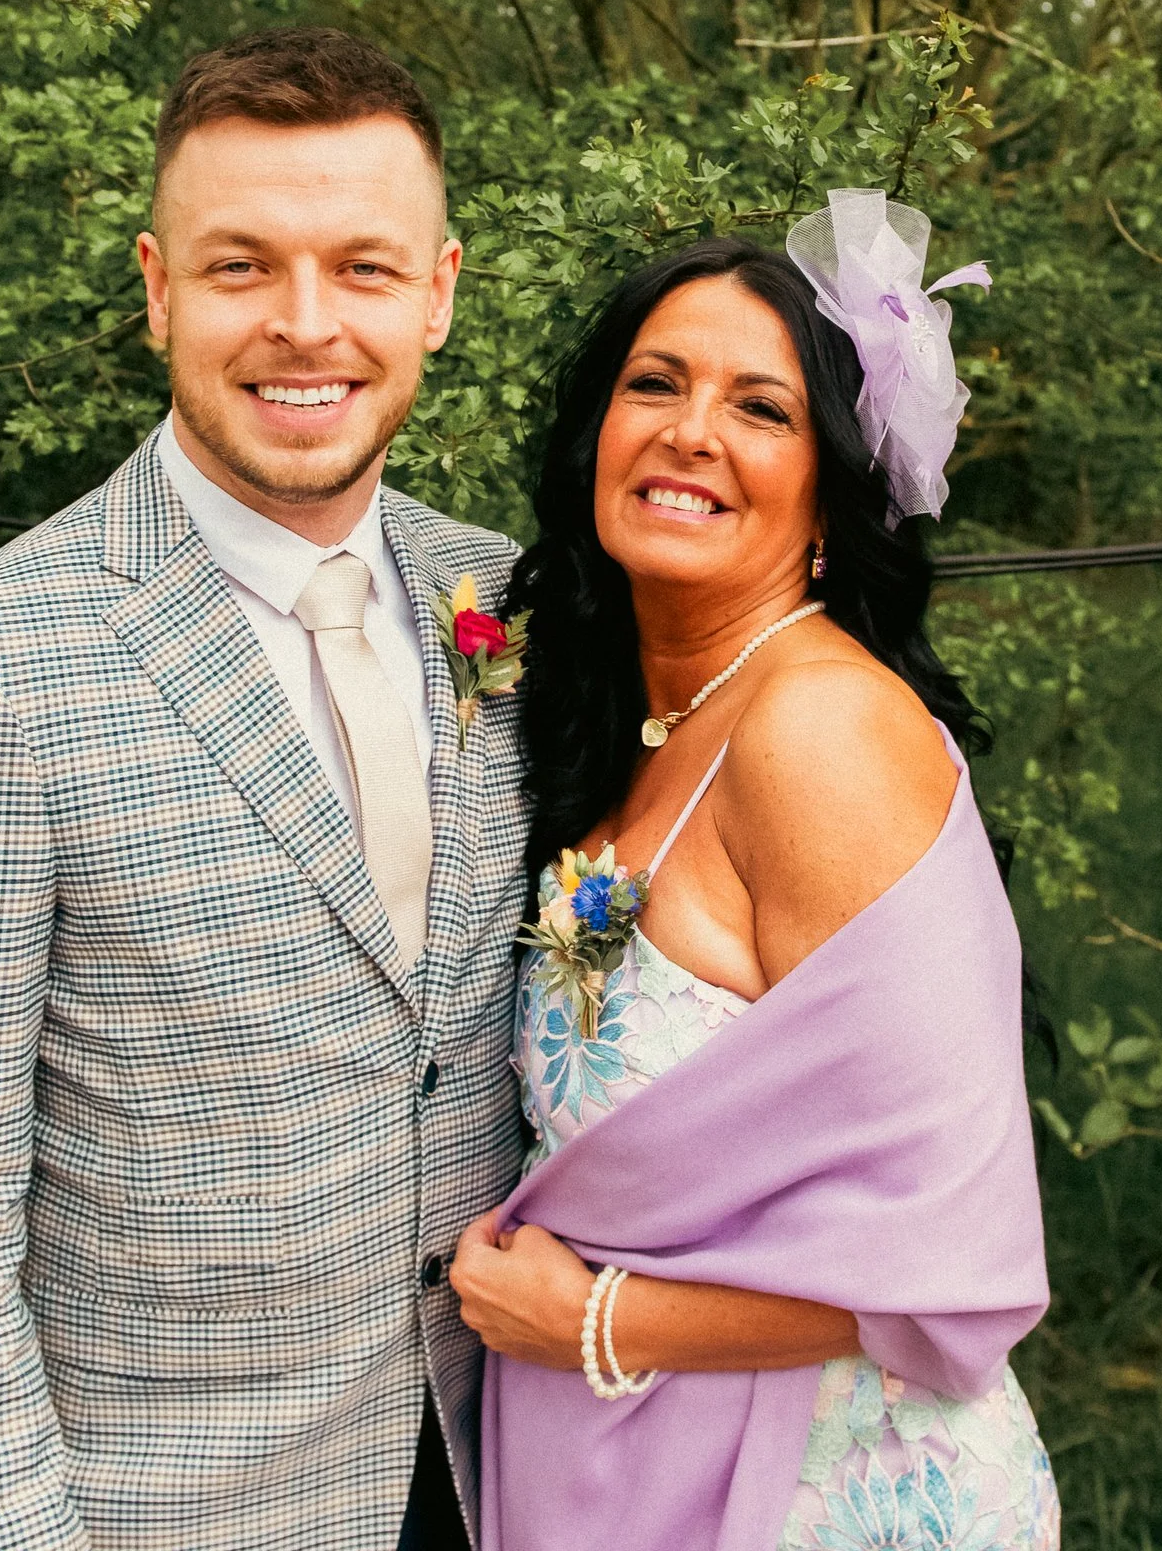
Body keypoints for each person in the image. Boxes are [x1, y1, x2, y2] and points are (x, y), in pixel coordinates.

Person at [0, 27, 531, 1551]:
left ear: (440, 294)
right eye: (238, 268)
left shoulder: (510, 605)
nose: (303, 323)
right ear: (155, 289)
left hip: (515, 1479)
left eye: (361, 267)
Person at [452, 197, 1060, 1550]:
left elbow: (955, 1265)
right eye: (654, 384)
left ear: (829, 492)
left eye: (761, 409)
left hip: (831, 1488)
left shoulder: (817, 732)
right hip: (642, 1466)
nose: (690, 431)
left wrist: (592, 1320)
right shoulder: (635, 722)